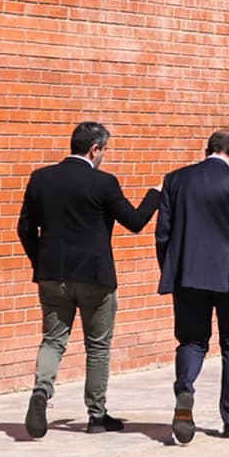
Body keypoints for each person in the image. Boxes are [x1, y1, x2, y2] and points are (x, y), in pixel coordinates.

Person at [14, 120, 157, 438]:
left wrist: (41, 262)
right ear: (95, 149)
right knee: (98, 347)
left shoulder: (41, 178)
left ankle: (41, 392)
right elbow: (134, 222)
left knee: (53, 340)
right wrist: (154, 196)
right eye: (104, 150)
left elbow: (25, 228)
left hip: (53, 274)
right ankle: (96, 415)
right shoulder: (103, 183)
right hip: (95, 276)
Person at [154, 128, 229, 445]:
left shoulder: (175, 180)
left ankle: (185, 387)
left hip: (188, 276)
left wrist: (172, 270)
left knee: (191, 340)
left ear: (207, 149)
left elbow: (163, 234)